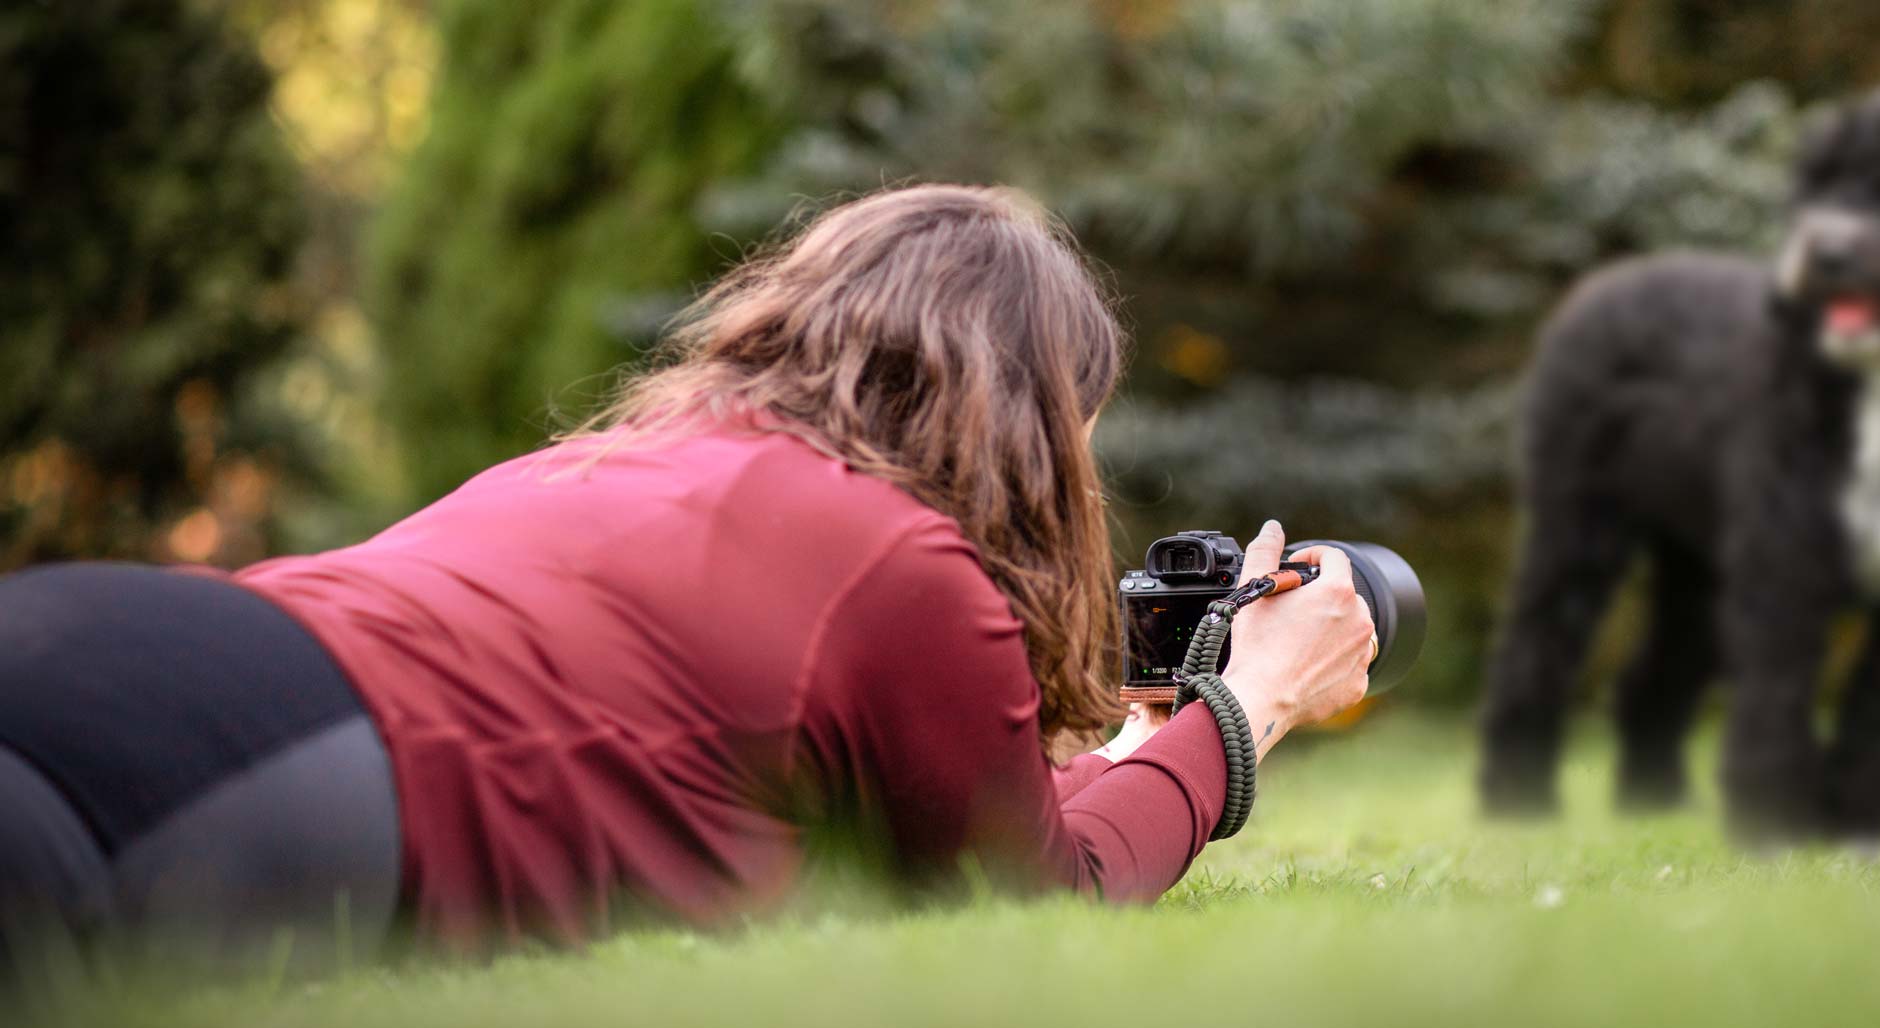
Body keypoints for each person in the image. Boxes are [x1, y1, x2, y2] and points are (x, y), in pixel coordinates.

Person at [0, 185, 1375, 973]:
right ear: (1030, 425)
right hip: (243, 769)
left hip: (116, 640)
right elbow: (1041, 895)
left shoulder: (620, 461)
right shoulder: (902, 564)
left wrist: (1138, 737)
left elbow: (933, 833)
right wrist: (1244, 715)